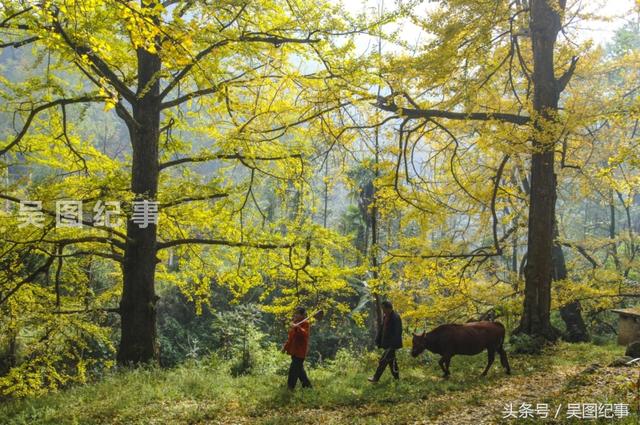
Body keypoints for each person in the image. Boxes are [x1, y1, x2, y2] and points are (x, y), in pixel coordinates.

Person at [368, 300, 402, 382]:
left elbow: (398, 332)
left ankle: (376, 378)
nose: (383, 310)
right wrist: (378, 340)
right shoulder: (385, 317)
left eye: (384, 309)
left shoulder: (395, 317)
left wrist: (392, 345)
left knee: (383, 361)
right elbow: (382, 330)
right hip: (387, 344)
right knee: (392, 362)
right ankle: (397, 379)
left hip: (392, 345)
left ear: (389, 308)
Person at [282, 306, 312, 390]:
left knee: (293, 370)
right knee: (300, 372)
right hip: (293, 351)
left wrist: (297, 327)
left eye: (297, 314)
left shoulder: (305, 323)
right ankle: (308, 387)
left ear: (302, 315)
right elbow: (290, 338)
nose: (295, 315)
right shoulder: (294, 323)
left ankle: (290, 388)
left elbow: (304, 335)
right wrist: (285, 347)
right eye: (295, 313)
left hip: (300, 352)